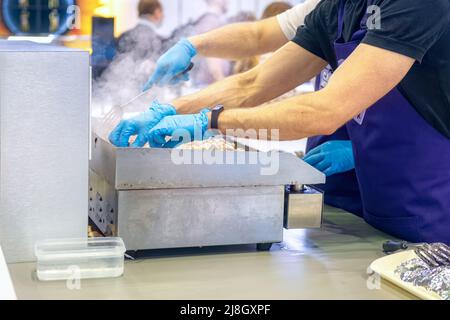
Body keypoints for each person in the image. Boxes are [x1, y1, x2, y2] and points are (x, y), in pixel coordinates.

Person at [110, 0, 450, 244]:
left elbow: (325, 111)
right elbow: (252, 83)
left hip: (433, 210)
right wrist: (170, 110)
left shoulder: (415, 5)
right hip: (379, 211)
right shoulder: (337, 9)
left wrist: (211, 120)